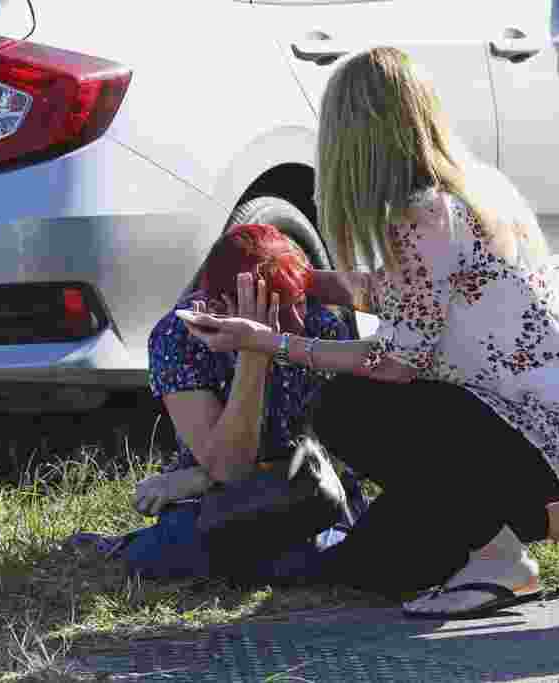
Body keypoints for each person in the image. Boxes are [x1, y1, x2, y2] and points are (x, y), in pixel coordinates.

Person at [177, 47, 559, 620]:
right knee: (382, 563)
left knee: (350, 405)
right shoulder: (472, 187)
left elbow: (396, 363)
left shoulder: (421, 218)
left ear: (357, 138)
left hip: (533, 445)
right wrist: (310, 282)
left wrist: (269, 343)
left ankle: (501, 564)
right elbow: (412, 296)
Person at [68, 222, 367, 582]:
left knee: (319, 548)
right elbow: (230, 469)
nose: (301, 320)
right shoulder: (177, 337)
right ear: (220, 305)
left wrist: (193, 480)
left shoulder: (322, 325)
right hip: (231, 500)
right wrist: (254, 354)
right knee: (184, 547)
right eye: (284, 308)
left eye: (301, 301)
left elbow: (328, 461)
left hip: (312, 494)